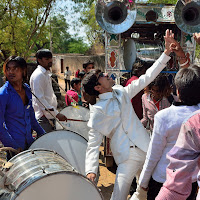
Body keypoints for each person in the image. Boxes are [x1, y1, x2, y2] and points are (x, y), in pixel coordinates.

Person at [83, 29, 175, 200]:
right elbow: (93, 143)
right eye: (101, 75)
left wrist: (166, 53)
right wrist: (90, 171)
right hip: (127, 157)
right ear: (98, 87)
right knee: (118, 196)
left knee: (147, 192)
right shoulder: (97, 111)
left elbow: (147, 78)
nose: (105, 74)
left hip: (146, 149)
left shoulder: (120, 91)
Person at [138, 65, 200, 200]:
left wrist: (143, 180)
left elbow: (154, 153)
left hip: (163, 179)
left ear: (178, 91)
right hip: (190, 180)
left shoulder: (164, 116)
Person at [155, 31, 200, 200]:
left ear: (177, 91)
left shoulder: (193, 124)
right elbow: (192, 79)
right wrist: (180, 54)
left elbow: (175, 186)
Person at [0, 56, 45, 153]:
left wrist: (44, 135)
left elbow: (32, 118)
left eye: (15, 68)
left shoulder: (27, 89)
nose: (11, 72)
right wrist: (13, 146)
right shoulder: (3, 94)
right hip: (15, 148)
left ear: (23, 70)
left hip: (30, 143)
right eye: (8, 69)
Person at [30, 49, 67, 133]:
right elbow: (40, 100)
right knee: (45, 143)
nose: (50, 61)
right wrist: (56, 114)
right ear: (39, 60)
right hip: (44, 117)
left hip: (50, 116)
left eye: (51, 58)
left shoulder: (46, 73)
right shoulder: (38, 75)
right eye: (47, 59)